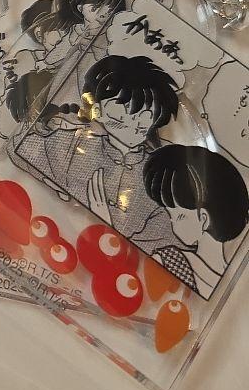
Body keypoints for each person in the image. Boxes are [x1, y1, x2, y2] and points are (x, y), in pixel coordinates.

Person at [12, 53, 181, 248]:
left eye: (148, 113)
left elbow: (165, 243)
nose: (137, 120)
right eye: (124, 107)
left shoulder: (158, 174)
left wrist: (108, 223)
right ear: (98, 110)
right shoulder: (72, 144)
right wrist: (53, 183)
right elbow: (22, 149)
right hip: (44, 236)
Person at [143, 143, 249, 298]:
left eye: (179, 216)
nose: (172, 225)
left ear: (203, 219)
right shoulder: (166, 260)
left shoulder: (172, 262)